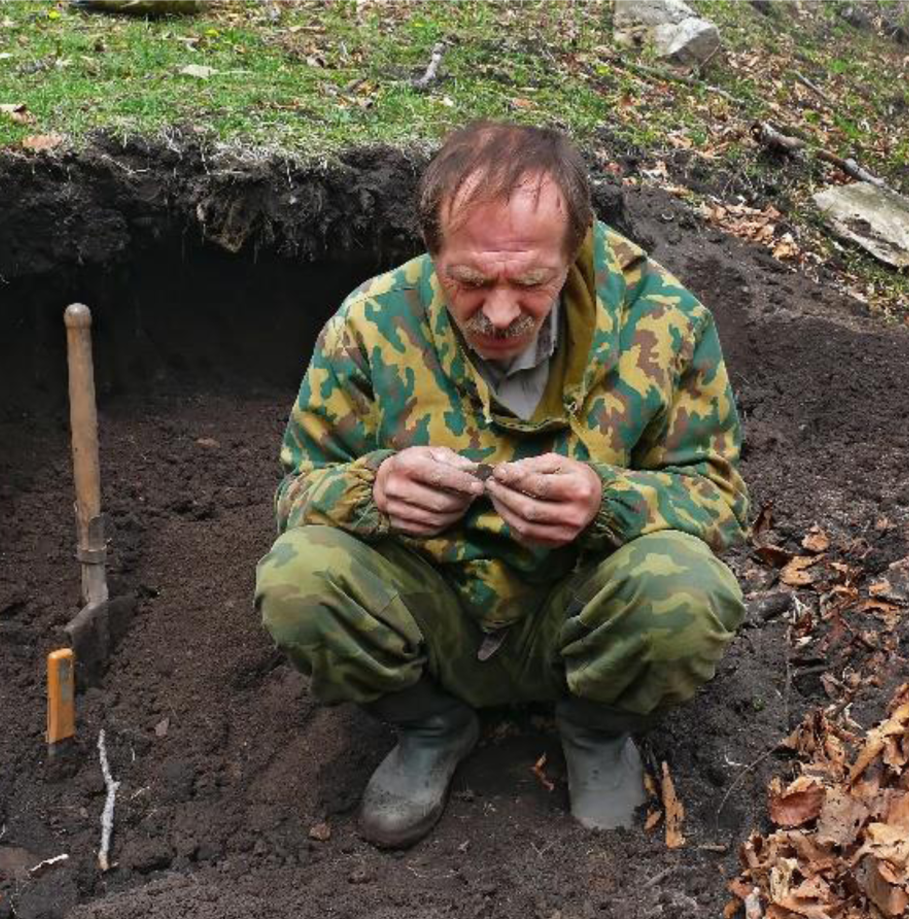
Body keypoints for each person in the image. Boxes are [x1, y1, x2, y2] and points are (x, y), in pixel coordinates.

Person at [254, 121, 748, 849]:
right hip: (434, 612)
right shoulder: (369, 323)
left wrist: (606, 502)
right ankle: (428, 720)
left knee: (687, 588)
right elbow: (296, 489)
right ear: (432, 252)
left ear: (575, 249)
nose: (500, 312)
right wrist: (374, 490)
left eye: (532, 280)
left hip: (578, 610)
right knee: (298, 579)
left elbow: (720, 499)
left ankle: (596, 727)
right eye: (471, 280)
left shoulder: (666, 323)